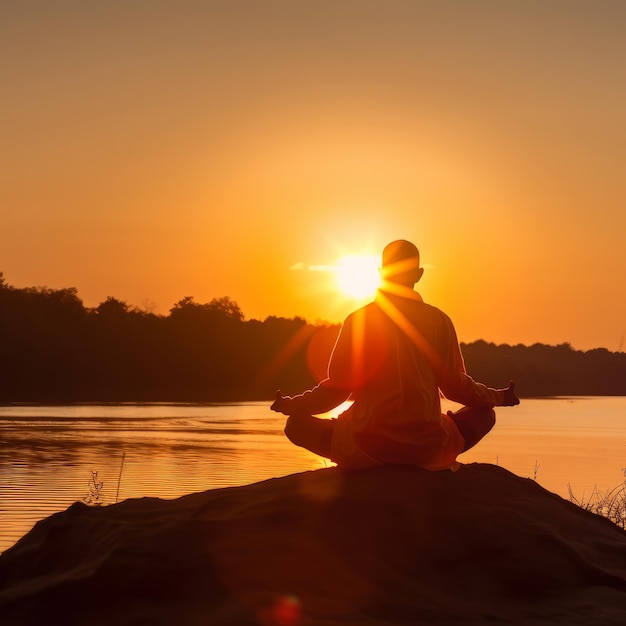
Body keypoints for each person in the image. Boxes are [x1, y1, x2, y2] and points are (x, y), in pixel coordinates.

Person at [271, 239, 520, 471]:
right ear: (419, 275)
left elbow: (336, 391)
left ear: (381, 273)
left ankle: (360, 460)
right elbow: (455, 388)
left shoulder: (359, 320)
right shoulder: (438, 321)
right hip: (425, 451)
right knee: (485, 413)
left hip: (365, 450)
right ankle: (432, 450)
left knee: (296, 424)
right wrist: (497, 397)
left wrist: (291, 405)